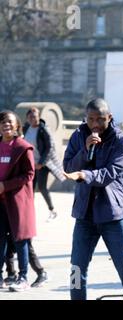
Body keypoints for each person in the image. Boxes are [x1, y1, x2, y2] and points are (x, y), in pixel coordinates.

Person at [63, 98, 123, 300]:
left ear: (110, 118)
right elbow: (68, 167)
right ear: (86, 118)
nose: (96, 124)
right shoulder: (78, 136)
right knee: (76, 269)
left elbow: (112, 172)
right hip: (85, 214)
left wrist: (85, 175)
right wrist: (84, 150)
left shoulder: (121, 139)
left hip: (112, 214)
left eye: (100, 119)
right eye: (91, 119)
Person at [0, 110, 36, 292]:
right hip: (1, 202)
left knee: (21, 240)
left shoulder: (23, 147)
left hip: (17, 201)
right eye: (2, 122)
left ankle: (23, 278)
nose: (5, 125)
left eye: (9, 122)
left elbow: (29, 174)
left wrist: (5, 185)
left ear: (16, 126)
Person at [23, 107, 65, 221]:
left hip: (42, 164)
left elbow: (50, 147)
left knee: (41, 187)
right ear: (27, 118)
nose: (33, 119)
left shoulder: (43, 129)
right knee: (29, 189)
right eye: (31, 117)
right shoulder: (26, 128)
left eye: (35, 116)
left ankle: (52, 210)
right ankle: (28, 212)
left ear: (39, 116)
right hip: (30, 164)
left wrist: (41, 163)